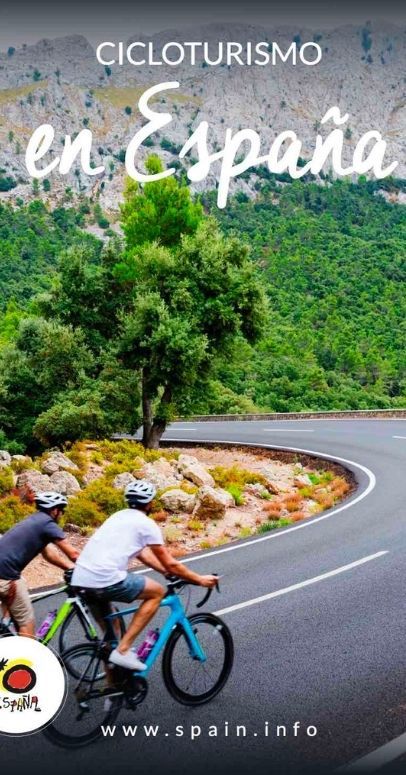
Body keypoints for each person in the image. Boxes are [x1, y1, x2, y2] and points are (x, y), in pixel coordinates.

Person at [72, 480, 218, 671]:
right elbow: (171, 562)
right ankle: (124, 651)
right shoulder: (146, 524)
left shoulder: (118, 517)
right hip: (105, 579)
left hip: (81, 579)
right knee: (156, 592)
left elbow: (142, 553)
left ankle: (113, 693)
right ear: (150, 503)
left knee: (111, 638)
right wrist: (199, 579)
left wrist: (164, 571)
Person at [0, 491, 79, 637]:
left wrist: (70, 567)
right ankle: (25, 658)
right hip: (6, 577)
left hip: (3, 574)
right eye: (62, 510)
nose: (62, 514)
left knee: (18, 592)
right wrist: (90, 570)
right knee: (26, 625)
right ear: (54, 510)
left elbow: (49, 554)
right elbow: (73, 554)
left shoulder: (35, 521)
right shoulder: (48, 523)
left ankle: (5, 627)